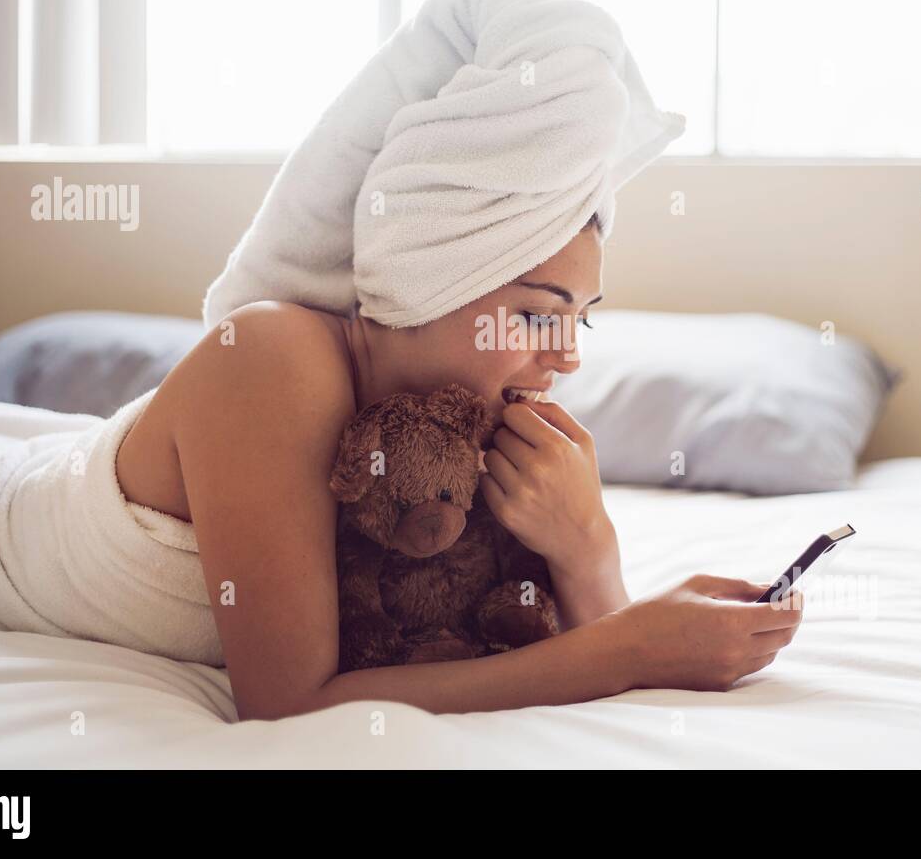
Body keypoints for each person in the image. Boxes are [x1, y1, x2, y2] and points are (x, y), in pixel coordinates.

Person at [116, 213, 805, 721]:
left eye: (582, 322)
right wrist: (631, 651)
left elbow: (588, 636)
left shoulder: (468, 434)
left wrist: (587, 546)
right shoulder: (270, 355)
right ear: (427, 284)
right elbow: (288, 705)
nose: (569, 359)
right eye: (539, 317)